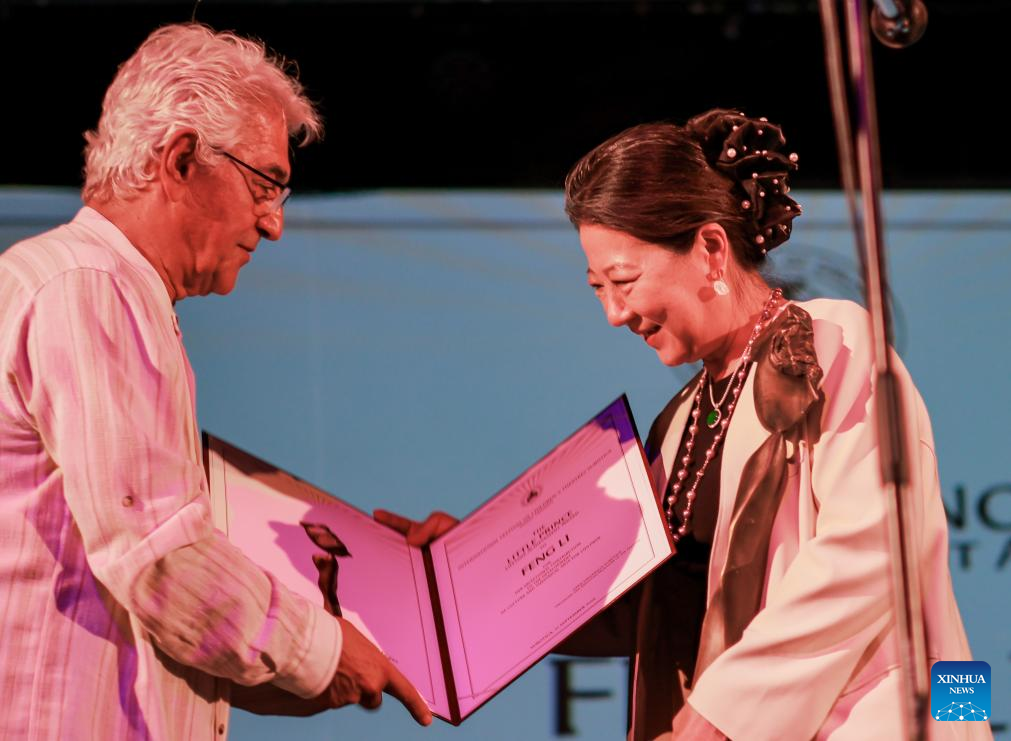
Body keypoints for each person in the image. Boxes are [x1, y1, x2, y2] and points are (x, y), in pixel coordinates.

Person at [380, 109, 989, 740]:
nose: (615, 313)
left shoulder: (831, 343)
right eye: (596, 288)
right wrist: (470, 573)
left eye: (624, 280)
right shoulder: (680, 424)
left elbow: (875, 547)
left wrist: (722, 717)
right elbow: (644, 608)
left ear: (710, 249)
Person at [0, 23, 431, 739]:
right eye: (267, 182)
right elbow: (158, 560)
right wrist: (325, 649)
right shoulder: (89, 290)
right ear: (179, 160)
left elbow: (142, 592)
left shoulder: (99, 289)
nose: (273, 224)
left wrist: (299, 666)